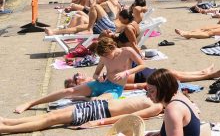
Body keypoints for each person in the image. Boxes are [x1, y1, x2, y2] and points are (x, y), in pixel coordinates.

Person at [14, 36, 146, 114]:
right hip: (101, 84)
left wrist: (126, 72)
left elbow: (142, 65)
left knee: (97, 102)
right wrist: (97, 77)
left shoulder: (127, 51)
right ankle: (30, 103)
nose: (106, 58)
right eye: (103, 56)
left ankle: (85, 99)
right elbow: (95, 74)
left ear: (112, 48)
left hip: (115, 88)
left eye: (106, 55)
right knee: (69, 90)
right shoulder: (104, 57)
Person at [120, 68, 202, 136]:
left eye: (151, 91)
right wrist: (161, 133)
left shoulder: (173, 109)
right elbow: (186, 131)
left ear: (163, 89)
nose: (148, 95)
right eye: (147, 91)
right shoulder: (181, 98)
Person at [0, 93, 162, 134]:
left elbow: (129, 118)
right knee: (48, 116)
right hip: (99, 105)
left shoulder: (156, 106)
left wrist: (98, 122)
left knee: (50, 120)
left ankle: (5, 129)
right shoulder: (153, 99)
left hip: (99, 112)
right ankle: (7, 122)